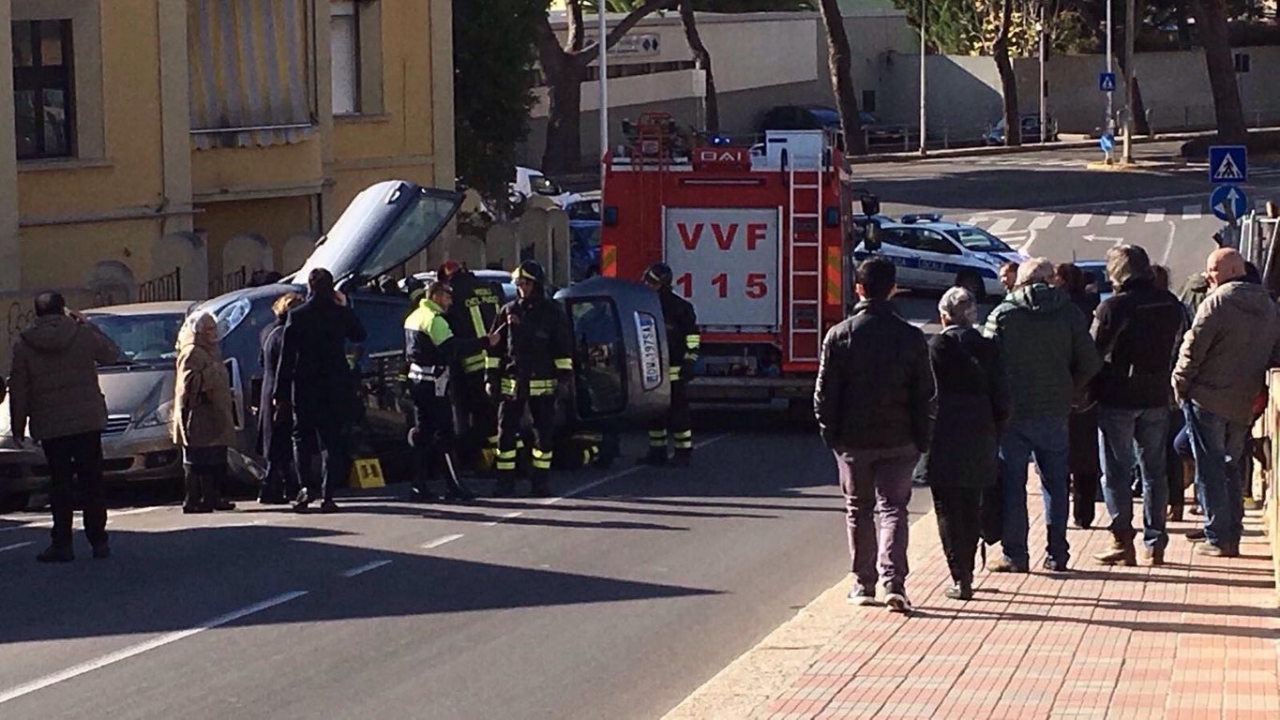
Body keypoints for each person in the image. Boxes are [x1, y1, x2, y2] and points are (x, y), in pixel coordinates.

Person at [814, 257, 936, 613]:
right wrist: (921, 436)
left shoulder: (840, 335)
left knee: (858, 508)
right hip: (900, 438)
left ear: (858, 289)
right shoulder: (911, 336)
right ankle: (894, 582)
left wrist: (831, 435)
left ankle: (863, 582)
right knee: (894, 508)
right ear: (894, 288)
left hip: (852, 440)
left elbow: (824, 394)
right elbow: (926, 393)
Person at [982, 258, 1101, 573]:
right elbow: (1090, 361)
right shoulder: (1070, 313)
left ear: (1019, 282)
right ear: (1052, 281)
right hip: (1054, 411)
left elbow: (986, 362)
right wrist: (1071, 390)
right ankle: (1057, 553)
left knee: (1013, 484)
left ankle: (1015, 554)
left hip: (1013, 414)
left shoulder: (1003, 315)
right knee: (1056, 484)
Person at [1172, 248, 1280, 557]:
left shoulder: (1216, 303)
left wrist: (1179, 383)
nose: (1208, 276)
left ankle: (1218, 535)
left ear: (1232, 271)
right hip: (1244, 401)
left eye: (1212, 270)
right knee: (1231, 467)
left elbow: (1193, 348)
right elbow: (1275, 353)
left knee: (1210, 468)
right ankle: (1232, 532)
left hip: (1207, 397)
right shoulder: (1269, 307)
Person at [1090, 246, 1187, 567]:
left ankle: (1121, 540)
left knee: (1116, 472)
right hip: (1156, 394)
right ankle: (1155, 542)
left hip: (1118, 395)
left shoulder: (1113, 307)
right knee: (1154, 471)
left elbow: (1093, 353)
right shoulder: (1170, 303)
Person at [8, 292, 120, 562]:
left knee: (60, 484)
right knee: (92, 480)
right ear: (63, 310)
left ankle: (62, 543)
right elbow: (111, 354)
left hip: (50, 424)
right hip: (86, 419)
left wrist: (18, 426)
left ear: (37, 314)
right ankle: (98, 540)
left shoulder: (24, 343)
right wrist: (87, 323)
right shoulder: (81, 333)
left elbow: (19, 388)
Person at [922, 287, 1011, 601]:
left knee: (946, 507)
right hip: (980, 432)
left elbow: (925, 395)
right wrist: (995, 428)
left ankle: (959, 576)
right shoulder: (989, 348)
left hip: (944, 434)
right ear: (973, 316)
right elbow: (1003, 398)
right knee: (972, 504)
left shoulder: (937, 347)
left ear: (944, 315)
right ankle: (970, 570)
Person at [274, 268, 367, 513]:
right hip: (335, 385)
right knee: (332, 441)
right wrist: (345, 305)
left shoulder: (297, 315)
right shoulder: (339, 313)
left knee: (301, 438)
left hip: (304, 385)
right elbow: (359, 335)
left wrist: (280, 393)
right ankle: (328, 495)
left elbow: (287, 357)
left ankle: (306, 488)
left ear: (310, 286)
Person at [403, 279, 498, 502]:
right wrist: (485, 341)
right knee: (445, 435)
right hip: (434, 383)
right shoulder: (435, 320)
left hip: (418, 382)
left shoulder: (414, 316)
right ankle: (453, 487)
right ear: (435, 296)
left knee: (423, 434)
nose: (450, 301)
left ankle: (418, 485)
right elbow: (452, 348)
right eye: (447, 297)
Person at [488, 260, 574, 498]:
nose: (521, 287)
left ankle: (540, 483)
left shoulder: (552, 312)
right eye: (518, 283)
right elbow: (495, 349)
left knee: (542, 437)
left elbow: (563, 347)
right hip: (512, 384)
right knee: (505, 434)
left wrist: (564, 378)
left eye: (525, 283)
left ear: (536, 284)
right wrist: (491, 377)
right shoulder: (507, 311)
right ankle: (505, 483)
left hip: (542, 385)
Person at [438, 260, 504, 471]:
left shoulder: (454, 293)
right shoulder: (492, 287)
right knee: (496, 414)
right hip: (498, 361)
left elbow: (449, 328)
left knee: (466, 414)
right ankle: (504, 462)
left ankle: (470, 461)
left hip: (469, 363)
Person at [173, 312, 238, 514]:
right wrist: (213, 372)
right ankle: (193, 499)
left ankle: (212, 497)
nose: (213, 333)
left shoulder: (210, 351)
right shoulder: (192, 352)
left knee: (214, 457)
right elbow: (188, 384)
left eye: (214, 328)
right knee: (197, 458)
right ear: (199, 332)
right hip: (199, 413)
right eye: (209, 329)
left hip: (213, 412)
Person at [1053, 262, 1102, 529]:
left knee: (1057, 454)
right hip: (1088, 390)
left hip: (1058, 389)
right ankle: (1084, 513)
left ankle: (1059, 512)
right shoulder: (1090, 306)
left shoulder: (1056, 310)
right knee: (1085, 453)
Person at [639, 262, 700, 467]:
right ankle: (657, 451)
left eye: (653, 282)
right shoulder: (642, 305)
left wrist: (689, 362)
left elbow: (692, 337)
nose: (648, 285)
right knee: (653, 413)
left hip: (674, 371)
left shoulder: (680, 308)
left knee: (678, 414)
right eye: (646, 280)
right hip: (650, 370)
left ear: (663, 284)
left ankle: (683, 452)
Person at [256, 292, 304, 504]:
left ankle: (280, 486)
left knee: (275, 440)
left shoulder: (267, 330)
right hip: (282, 391)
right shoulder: (288, 334)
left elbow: (261, 361)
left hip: (268, 387)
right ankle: (273, 487)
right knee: (282, 440)